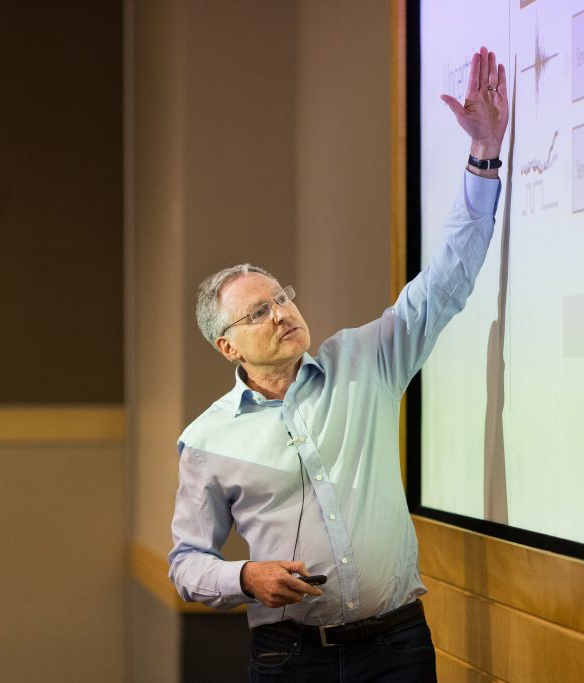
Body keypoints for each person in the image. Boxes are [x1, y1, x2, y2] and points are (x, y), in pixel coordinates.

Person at [169, 46, 511, 682]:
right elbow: (187, 561)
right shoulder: (208, 441)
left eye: (282, 297)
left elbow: (443, 284)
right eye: (258, 312)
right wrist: (243, 575)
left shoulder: (364, 361)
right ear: (228, 347)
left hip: (398, 647)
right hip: (291, 659)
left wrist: (485, 156)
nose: (282, 313)